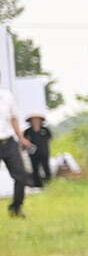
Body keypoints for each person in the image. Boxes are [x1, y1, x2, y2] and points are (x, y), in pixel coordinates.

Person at [0, 86, 32, 217]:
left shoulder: (7, 96)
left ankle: (16, 208)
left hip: (8, 142)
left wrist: (21, 137)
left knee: (21, 176)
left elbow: (14, 118)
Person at [23, 115, 51, 187]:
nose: (35, 122)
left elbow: (49, 139)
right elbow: (24, 141)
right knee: (35, 169)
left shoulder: (45, 130)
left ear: (41, 121)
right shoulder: (27, 131)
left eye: (37, 120)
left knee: (46, 167)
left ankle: (49, 182)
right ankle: (38, 185)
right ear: (30, 122)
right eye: (33, 120)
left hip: (44, 152)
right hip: (33, 153)